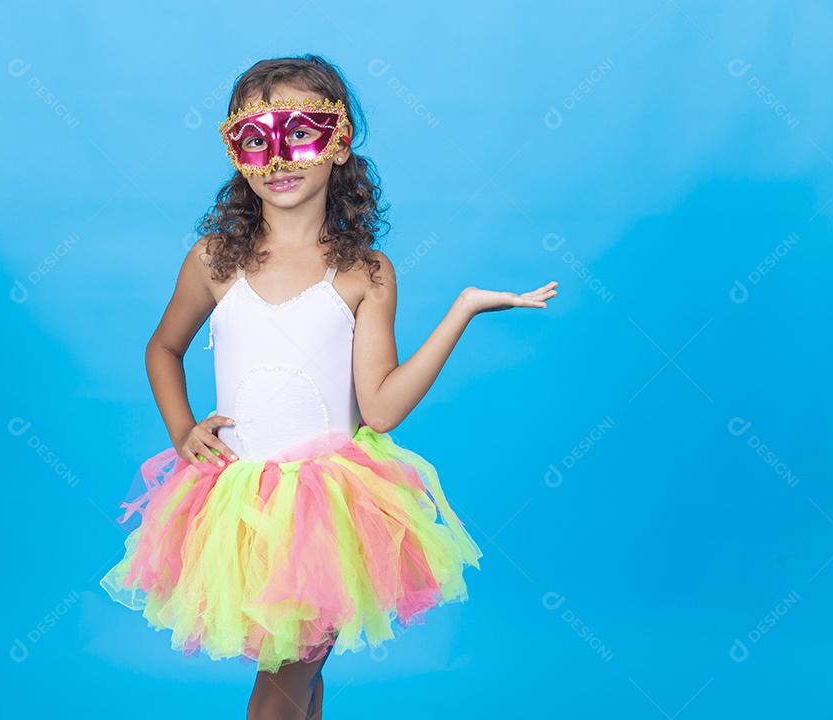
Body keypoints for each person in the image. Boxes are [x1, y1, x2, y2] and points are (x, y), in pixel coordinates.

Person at [100, 53, 558, 720]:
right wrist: (181, 429)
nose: (278, 158)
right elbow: (163, 348)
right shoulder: (212, 261)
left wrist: (461, 310)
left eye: (300, 133)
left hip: (328, 513)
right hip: (242, 510)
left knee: (292, 679)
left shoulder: (364, 273)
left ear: (339, 144)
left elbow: (380, 408)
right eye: (256, 138)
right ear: (236, 151)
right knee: (295, 681)